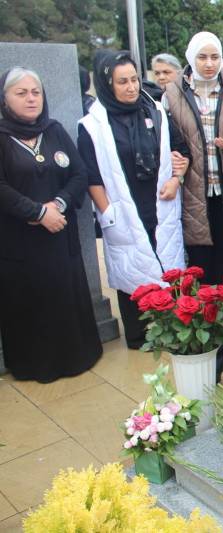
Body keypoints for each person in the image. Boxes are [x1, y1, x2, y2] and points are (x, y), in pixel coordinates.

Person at [79, 50, 189, 349]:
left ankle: (174, 328)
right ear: (107, 85)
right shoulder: (92, 125)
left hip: (160, 199)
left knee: (168, 263)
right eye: (122, 82)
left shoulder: (156, 112)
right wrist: (108, 212)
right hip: (122, 207)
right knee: (130, 269)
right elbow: (91, 177)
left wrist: (176, 178)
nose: (131, 87)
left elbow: (181, 151)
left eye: (134, 79)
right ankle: (139, 335)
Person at [0, 67, 102, 382]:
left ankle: (77, 356)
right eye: (21, 93)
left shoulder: (54, 130)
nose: (31, 99)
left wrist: (58, 204)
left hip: (60, 235)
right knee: (31, 301)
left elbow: (79, 173)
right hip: (20, 241)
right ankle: (36, 364)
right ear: (5, 99)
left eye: (36, 92)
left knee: (65, 294)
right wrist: (37, 212)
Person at [162, 31, 223, 286]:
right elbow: (164, 140)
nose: (209, 63)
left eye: (215, 57)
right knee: (200, 262)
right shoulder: (171, 94)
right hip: (192, 191)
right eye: (202, 57)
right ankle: (205, 310)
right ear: (191, 58)